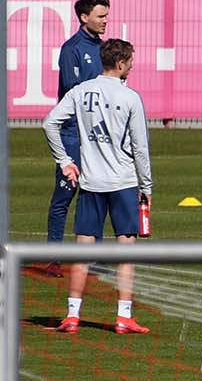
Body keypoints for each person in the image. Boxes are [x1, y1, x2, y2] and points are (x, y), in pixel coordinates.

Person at [42, 37, 152, 334]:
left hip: (91, 183)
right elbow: (141, 149)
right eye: (130, 60)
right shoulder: (130, 98)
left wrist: (65, 160)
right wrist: (147, 187)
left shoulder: (81, 91)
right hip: (124, 183)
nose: (132, 65)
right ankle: (123, 317)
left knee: (81, 252)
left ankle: (72, 315)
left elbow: (49, 123)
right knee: (126, 252)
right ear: (121, 64)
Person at [43, 0, 110, 268]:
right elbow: (74, 91)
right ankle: (54, 257)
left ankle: (96, 256)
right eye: (101, 16)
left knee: (97, 193)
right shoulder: (71, 48)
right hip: (73, 134)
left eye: (107, 15)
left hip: (97, 135)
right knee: (64, 194)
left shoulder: (105, 49)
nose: (106, 21)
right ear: (84, 17)